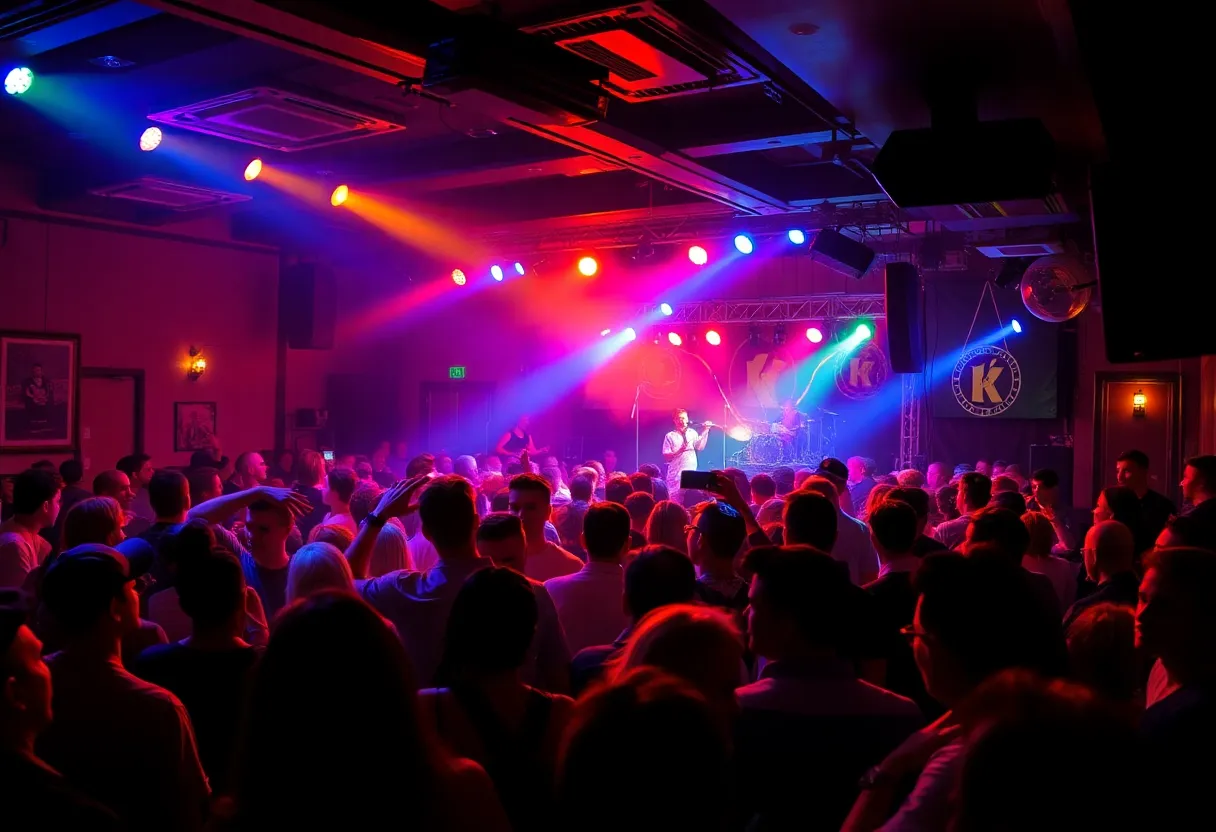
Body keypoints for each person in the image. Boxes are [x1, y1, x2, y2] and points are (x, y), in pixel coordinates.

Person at [661, 408, 714, 501]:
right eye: (679, 418)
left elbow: (700, 447)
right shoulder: (670, 435)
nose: (682, 421)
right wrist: (679, 451)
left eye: (684, 418)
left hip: (690, 468)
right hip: (676, 472)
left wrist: (706, 430)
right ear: (675, 420)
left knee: (689, 496)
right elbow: (666, 455)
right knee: (675, 497)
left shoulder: (692, 433)